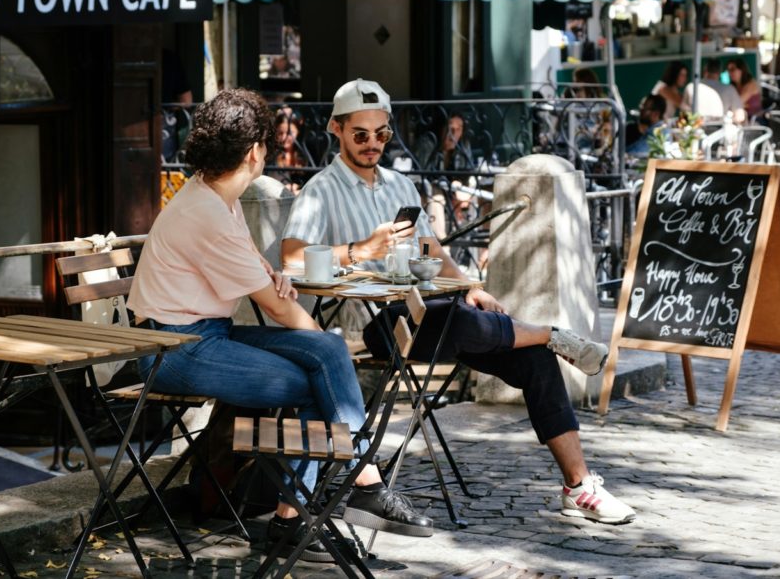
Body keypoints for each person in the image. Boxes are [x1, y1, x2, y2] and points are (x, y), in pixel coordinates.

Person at [281, 78, 637, 525]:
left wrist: (469, 284)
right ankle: (550, 331)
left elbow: (431, 251)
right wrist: (361, 250)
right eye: (361, 134)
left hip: (428, 315)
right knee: (471, 323)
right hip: (368, 327)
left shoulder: (398, 185)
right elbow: (291, 257)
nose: (373, 144)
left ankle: (579, 486)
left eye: (382, 133)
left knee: (532, 358)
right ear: (336, 129)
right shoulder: (320, 190)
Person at [126, 88, 433, 561]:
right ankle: (342, 492)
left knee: (327, 353)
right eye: (267, 145)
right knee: (319, 375)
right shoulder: (207, 211)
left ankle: (321, 505)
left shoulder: (216, 195)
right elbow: (276, 308)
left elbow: (259, 270)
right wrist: (301, 321)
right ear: (253, 152)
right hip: (174, 349)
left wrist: (274, 280)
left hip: (205, 334)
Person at [683, 58, 745, 123]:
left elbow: (684, 114)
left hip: (697, 129)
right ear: (719, 73)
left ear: (705, 71)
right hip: (720, 130)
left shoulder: (691, 87)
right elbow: (740, 116)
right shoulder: (729, 89)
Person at [267, 109, 306, 194]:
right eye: (280, 133)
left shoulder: (306, 153)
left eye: (289, 133)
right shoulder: (271, 155)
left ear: (298, 132)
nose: (284, 138)